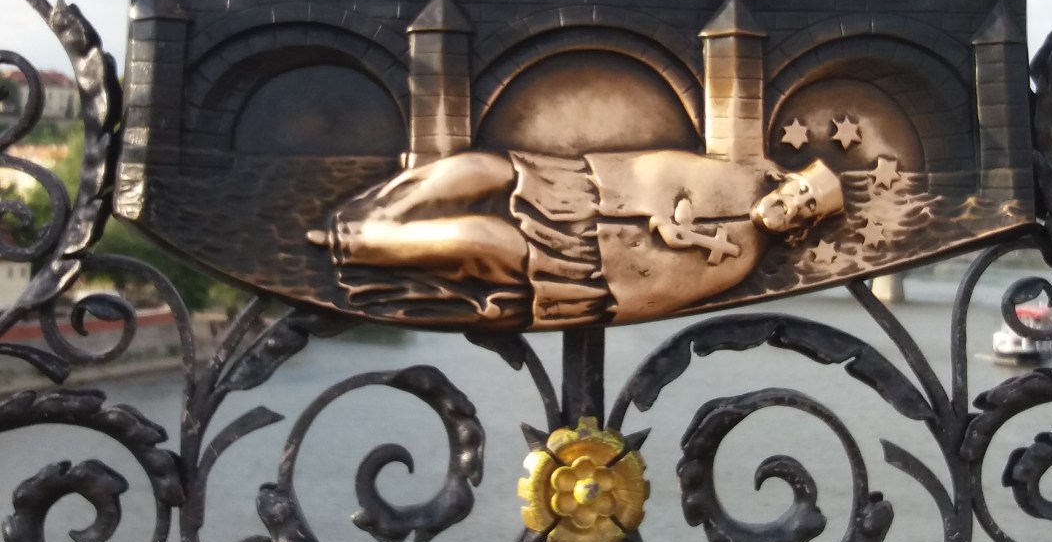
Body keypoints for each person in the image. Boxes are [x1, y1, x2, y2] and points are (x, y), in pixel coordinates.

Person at [307, 149, 843, 330]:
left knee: (481, 240)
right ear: (784, 181)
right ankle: (375, 211)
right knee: (480, 168)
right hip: (583, 191)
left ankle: (355, 245)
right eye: (799, 192)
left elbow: (653, 294)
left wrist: (671, 243)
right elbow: (659, 171)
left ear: (800, 227)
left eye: (805, 210)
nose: (793, 205)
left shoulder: (742, 262)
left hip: (581, 266)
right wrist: (666, 214)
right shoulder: (735, 178)